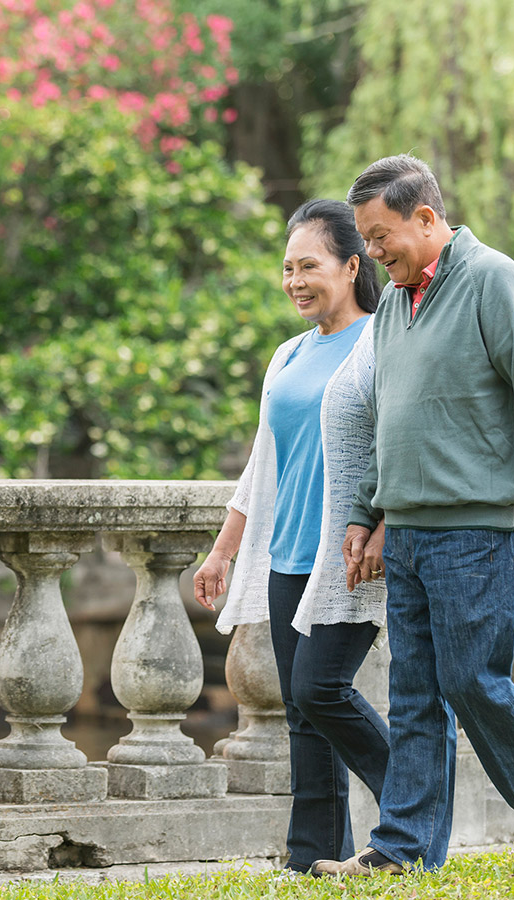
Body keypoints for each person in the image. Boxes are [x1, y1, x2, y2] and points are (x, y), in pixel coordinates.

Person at [318, 154, 514, 876]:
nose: (374, 253)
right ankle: (403, 849)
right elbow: (389, 421)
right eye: (365, 240)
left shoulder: (494, 282)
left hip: (474, 527)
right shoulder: (396, 307)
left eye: (382, 237)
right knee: (412, 695)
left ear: (427, 219)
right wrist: (363, 513)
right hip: (405, 528)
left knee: (473, 680)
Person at [193, 198, 390, 875]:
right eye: (287, 268)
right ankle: (312, 858)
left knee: (320, 690)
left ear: (351, 265)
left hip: (351, 553)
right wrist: (222, 551)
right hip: (286, 556)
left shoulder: (381, 342)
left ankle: (415, 804)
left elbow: (399, 446)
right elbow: (262, 465)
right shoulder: (287, 355)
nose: (296, 280)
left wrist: (383, 526)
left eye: (310, 265)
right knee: (301, 713)